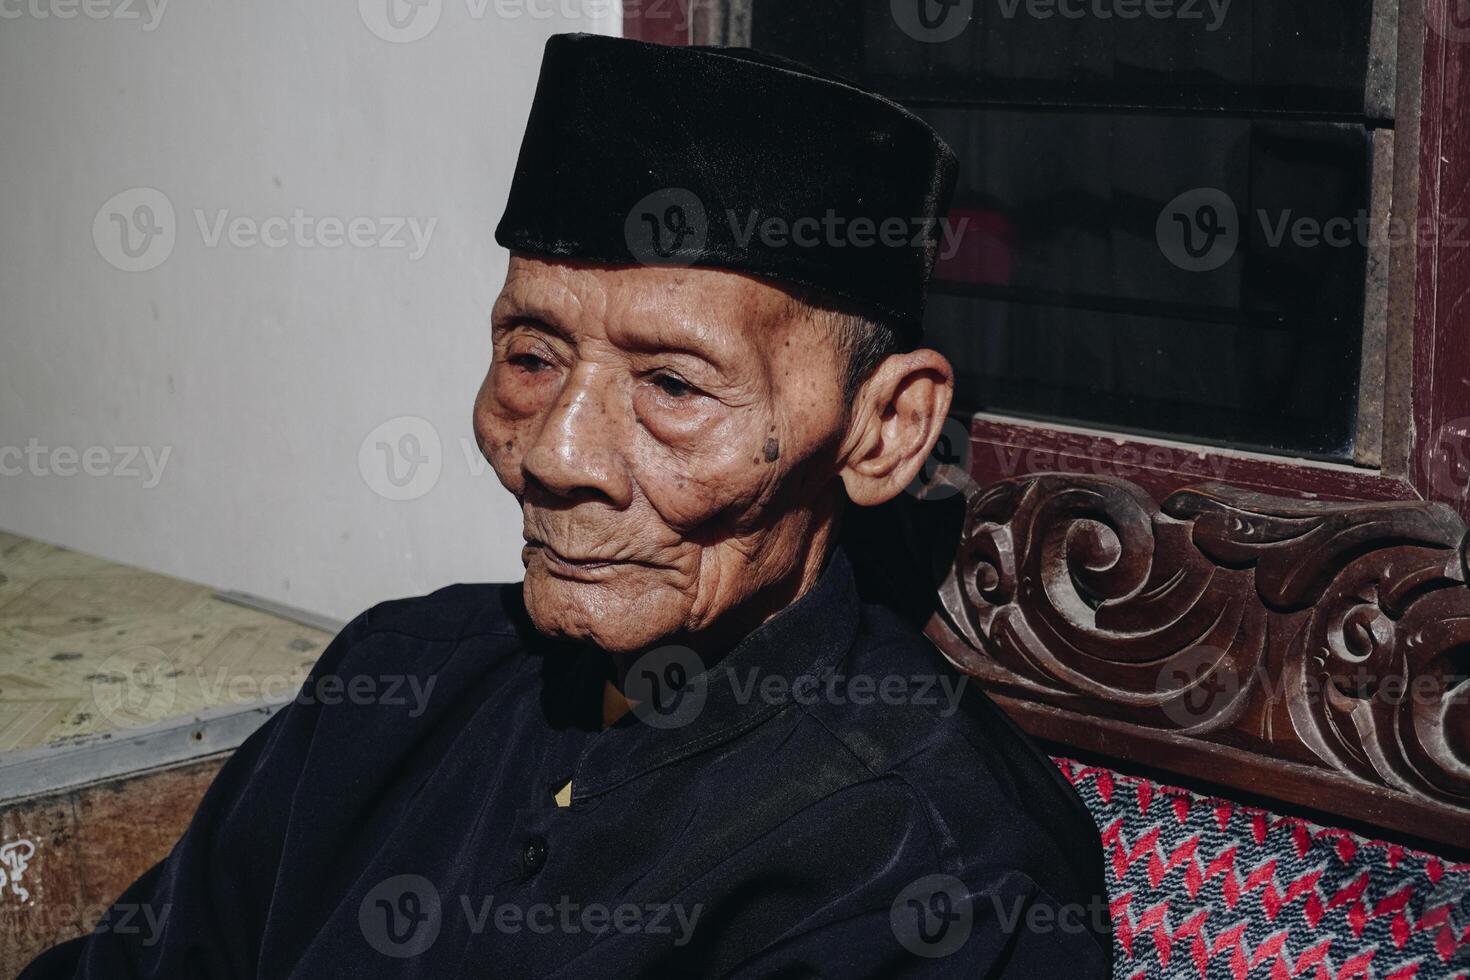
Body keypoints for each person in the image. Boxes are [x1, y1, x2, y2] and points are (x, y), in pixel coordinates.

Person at [23, 33, 1111, 978]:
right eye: (533, 355)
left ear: (883, 430)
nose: (555, 451)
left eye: (674, 385)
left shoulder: (937, 872)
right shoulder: (396, 675)